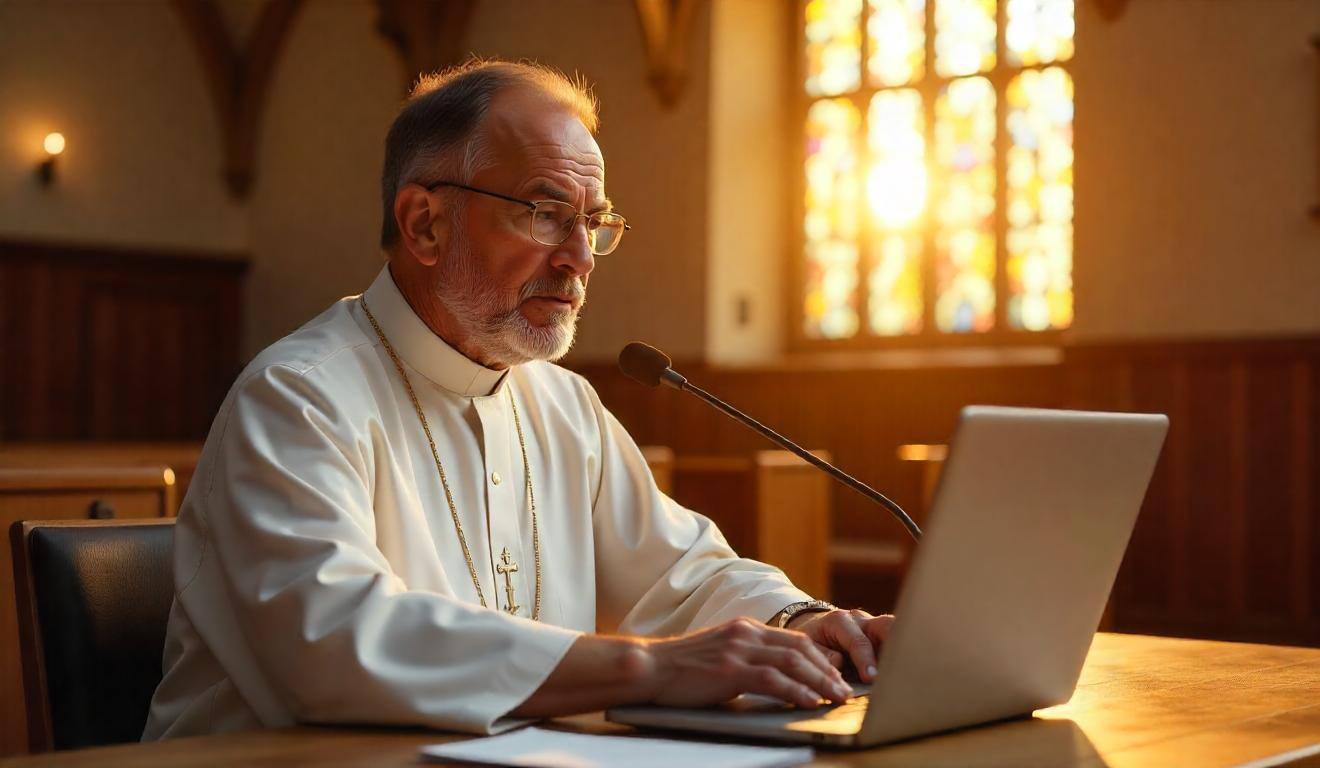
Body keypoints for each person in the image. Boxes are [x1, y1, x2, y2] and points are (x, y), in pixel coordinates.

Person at [143, 59, 893, 740]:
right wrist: (652, 668)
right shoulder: (299, 397)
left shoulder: (566, 407)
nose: (577, 259)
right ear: (425, 224)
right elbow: (335, 641)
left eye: (592, 223)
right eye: (544, 213)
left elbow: (679, 573)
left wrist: (805, 622)